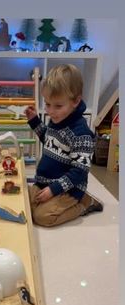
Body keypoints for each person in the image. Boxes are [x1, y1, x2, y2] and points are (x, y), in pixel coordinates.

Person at [25, 64, 103, 227]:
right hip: (45, 182)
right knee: (25, 204)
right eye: (47, 104)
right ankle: (55, 197)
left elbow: (79, 172)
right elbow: (49, 139)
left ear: (76, 101)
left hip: (69, 188)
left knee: (42, 217)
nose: (51, 111)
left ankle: (84, 203)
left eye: (58, 106)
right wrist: (34, 121)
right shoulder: (57, 119)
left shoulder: (81, 134)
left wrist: (54, 189)